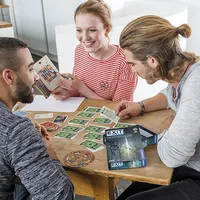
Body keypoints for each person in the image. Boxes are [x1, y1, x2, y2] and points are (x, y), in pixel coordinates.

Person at [115, 15, 200, 200]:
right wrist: (140, 106)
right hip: (190, 165)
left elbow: (172, 157)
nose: (132, 70)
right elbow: (169, 94)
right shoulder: (183, 70)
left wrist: (166, 130)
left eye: (132, 64)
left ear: (152, 61)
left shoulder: (196, 87)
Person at [0, 37, 74, 200]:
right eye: (31, 69)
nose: (37, 77)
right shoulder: (16, 131)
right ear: (9, 77)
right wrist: (48, 151)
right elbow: (59, 196)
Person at [52, 0, 138, 101]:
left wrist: (80, 86)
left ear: (107, 29)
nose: (85, 38)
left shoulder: (125, 61)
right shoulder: (80, 51)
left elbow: (120, 109)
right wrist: (68, 93)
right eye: (79, 30)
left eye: (92, 30)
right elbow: (78, 92)